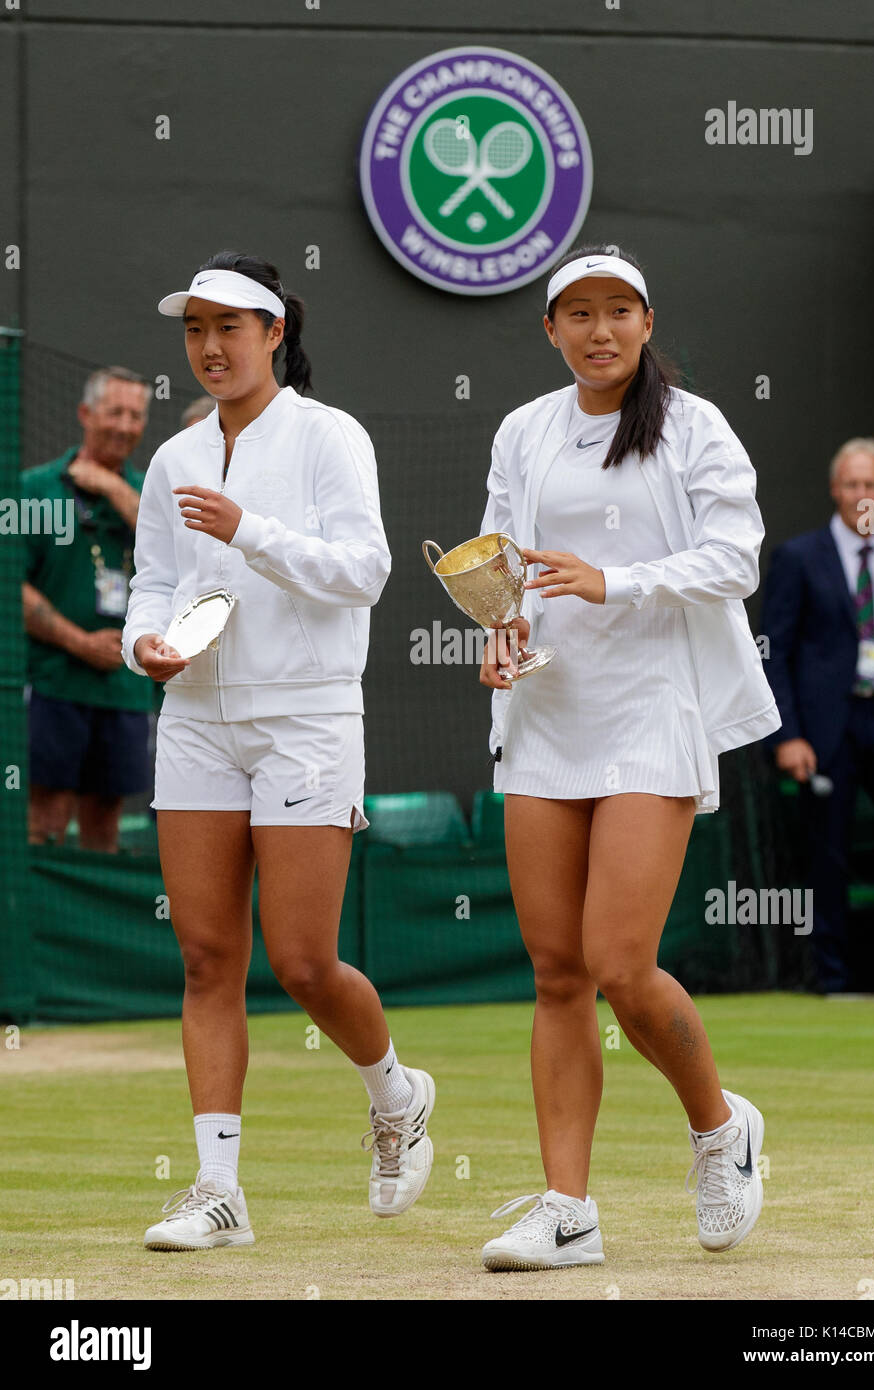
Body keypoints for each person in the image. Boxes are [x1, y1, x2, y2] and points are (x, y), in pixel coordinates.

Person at [121, 251, 435, 1250]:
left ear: (274, 335)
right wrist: (145, 646)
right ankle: (218, 1190)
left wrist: (250, 529)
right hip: (197, 723)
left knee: (302, 961)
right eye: (195, 330)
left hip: (305, 718)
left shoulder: (328, 437)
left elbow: (366, 572)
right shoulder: (172, 460)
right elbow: (152, 580)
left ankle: (396, 1093)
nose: (210, 346)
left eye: (230, 328)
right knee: (208, 955)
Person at [476, 243, 781, 1269]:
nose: (598, 329)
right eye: (577, 313)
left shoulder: (694, 428)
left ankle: (718, 1127)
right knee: (556, 972)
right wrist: (500, 627)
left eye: (618, 311)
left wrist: (616, 581)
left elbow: (735, 558)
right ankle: (568, 1208)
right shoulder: (523, 430)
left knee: (619, 964)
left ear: (647, 324)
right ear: (550, 329)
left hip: (653, 712)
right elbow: (499, 564)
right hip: (546, 717)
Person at [761, 438, 874, 993]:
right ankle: (833, 984)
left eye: (873, 485)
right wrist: (788, 736)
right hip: (826, 729)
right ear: (836, 489)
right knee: (827, 856)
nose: (863, 495)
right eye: (853, 484)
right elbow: (774, 652)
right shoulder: (798, 558)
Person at [21, 366, 154, 852]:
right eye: (114, 412)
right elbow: (10, 584)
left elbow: (182, 555)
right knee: (46, 816)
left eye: (136, 415)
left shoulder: (147, 493)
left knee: (106, 821)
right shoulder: (35, 488)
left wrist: (114, 489)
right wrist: (79, 643)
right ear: (85, 414)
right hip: (54, 682)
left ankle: (92, 924)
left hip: (124, 690)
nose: (124, 426)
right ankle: (34, 925)